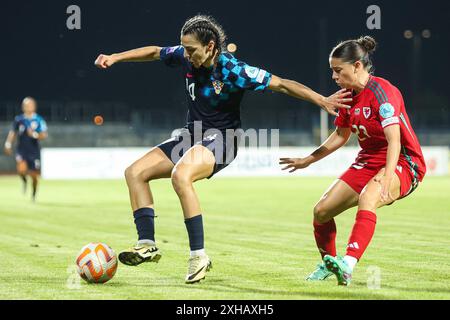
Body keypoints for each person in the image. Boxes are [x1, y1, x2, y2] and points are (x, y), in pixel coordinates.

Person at [95, 15, 351, 284]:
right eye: (184, 48)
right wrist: (115, 56)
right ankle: (147, 244)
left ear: (210, 45)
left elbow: (282, 84)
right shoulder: (185, 55)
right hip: (191, 137)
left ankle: (198, 255)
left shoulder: (233, 70)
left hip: (223, 140)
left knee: (181, 176)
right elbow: (155, 52)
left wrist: (321, 100)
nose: (186, 54)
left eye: (192, 49)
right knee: (135, 172)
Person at [280, 36, 426, 286]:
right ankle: (329, 264)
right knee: (321, 211)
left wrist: (388, 177)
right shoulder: (347, 95)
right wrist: (307, 160)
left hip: (403, 160)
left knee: (369, 197)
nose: (334, 77)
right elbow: (340, 135)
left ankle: (348, 264)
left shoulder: (383, 92)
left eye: (338, 71)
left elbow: (395, 141)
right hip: (368, 160)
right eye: (332, 71)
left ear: (357, 66)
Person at [4, 97, 48, 202]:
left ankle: (33, 194)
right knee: (21, 169)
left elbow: (44, 135)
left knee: (34, 176)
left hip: (34, 151)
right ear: (23, 107)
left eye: (30, 105)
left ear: (34, 106)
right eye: (26, 105)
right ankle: (24, 181)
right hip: (21, 150)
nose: (28, 107)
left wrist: (34, 134)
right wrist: (8, 144)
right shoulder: (19, 119)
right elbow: (13, 133)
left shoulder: (38, 119)